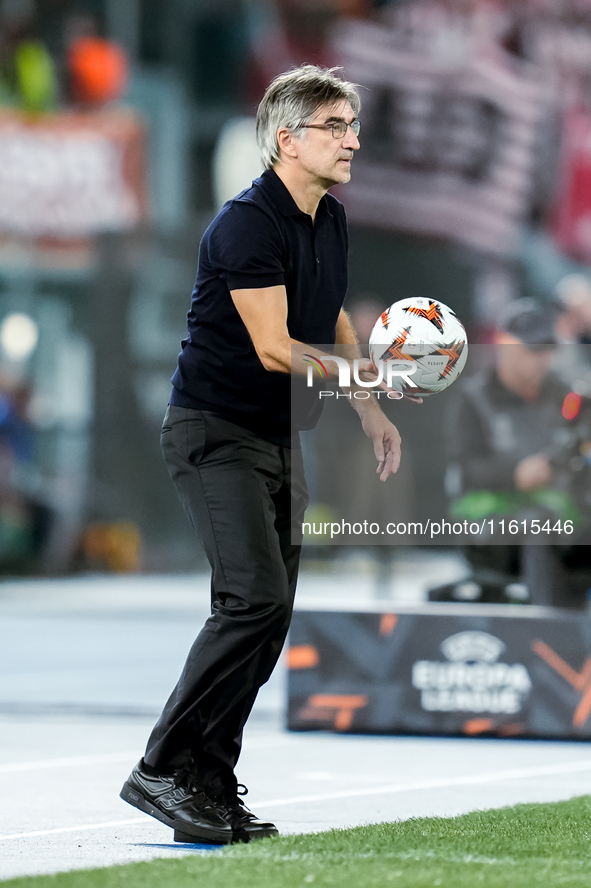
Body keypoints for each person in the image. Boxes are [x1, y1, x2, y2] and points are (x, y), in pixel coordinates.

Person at [120, 65, 406, 845]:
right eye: (336, 126)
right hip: (214, 433)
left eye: (353, 124)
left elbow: (334, 320)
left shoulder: (330, 219)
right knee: (249, 602)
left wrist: (370, 410)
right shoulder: (246, 223)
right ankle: (160, 769)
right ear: (288, 138)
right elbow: (278, 348)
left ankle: (206, 785)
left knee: (267, 615)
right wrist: (353, 374)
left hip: (280, 436)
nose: (352, 139)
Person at [435, 298, 591, 607]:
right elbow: (465, 470)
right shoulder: (472, 399)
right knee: (539, 525)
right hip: (489, 520)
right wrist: (516, 474)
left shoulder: (565, 395)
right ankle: (545, 635)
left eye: (548, 349)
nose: (541, 359)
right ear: (504, 344)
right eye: (533, 349)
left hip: (558, 511)